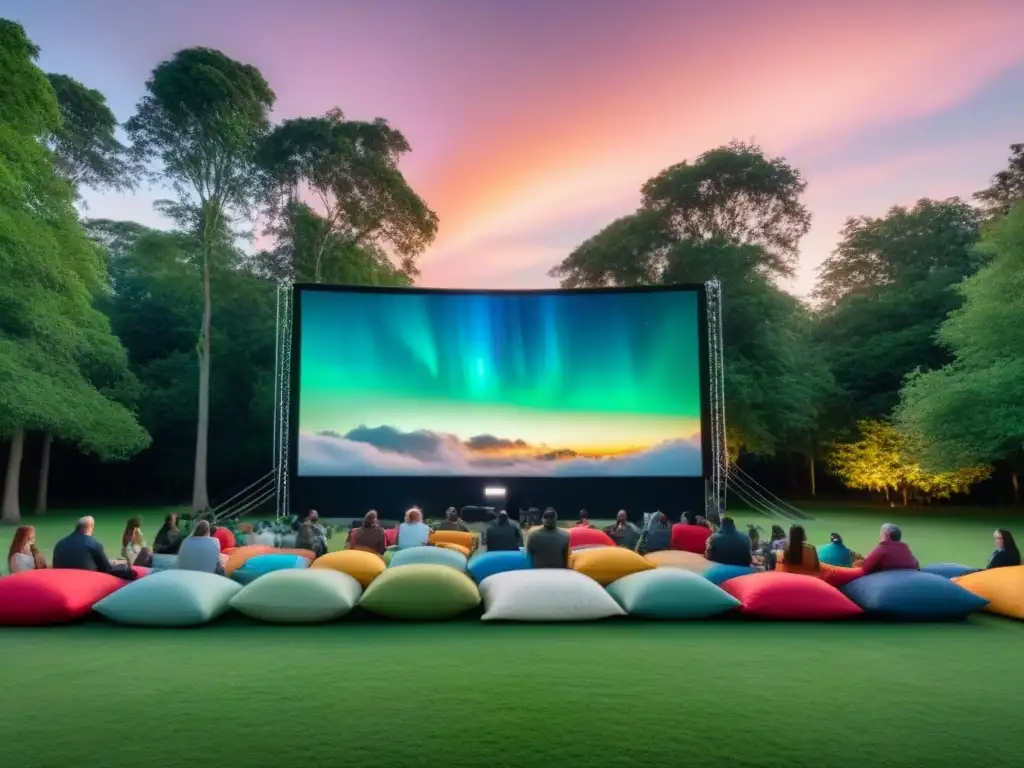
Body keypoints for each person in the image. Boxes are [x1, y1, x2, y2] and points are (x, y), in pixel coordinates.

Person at [52, 516, 136, 580]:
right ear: (90, 527)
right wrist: (122, 566)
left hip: (62, 579)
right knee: (129, 572)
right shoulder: (93, 544)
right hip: (86, 580)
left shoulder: (60, 544)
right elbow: (107, 568)